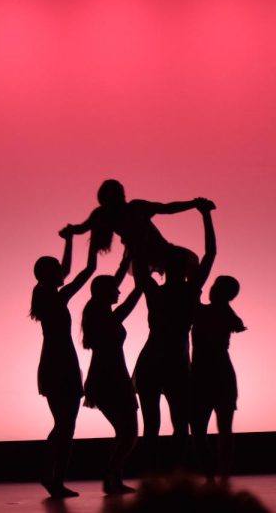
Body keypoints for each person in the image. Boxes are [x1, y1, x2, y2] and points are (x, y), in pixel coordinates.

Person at [132, 200, 216, 471]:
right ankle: (176, 470)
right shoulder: (191, 291)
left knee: (152, 425)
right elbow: (210, 253)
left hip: (152, 359)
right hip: (175, 362)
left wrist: (139, 232)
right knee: (180, 423)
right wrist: (205, 216)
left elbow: (139, 262)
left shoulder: (155, 292)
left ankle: (151, 472)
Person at [29, 229, 96, 498]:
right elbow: (85, 271)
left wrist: (69, 240)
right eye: (57, 269)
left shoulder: (45, 294)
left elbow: (67, 269)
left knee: (63, 425)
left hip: (56, 361)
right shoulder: (55, 297)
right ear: (49, 275)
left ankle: (51, 476)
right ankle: (53, 478)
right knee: (66, 426)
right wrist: (94, 242)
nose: (62, 271)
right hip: (61, 363)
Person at [60, 179, 213, 276]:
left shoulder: (118, 211)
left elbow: (168, 208)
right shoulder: (130, 208)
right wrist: (194, 204)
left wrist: (193, 204)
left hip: (147, 254)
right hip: (147, 253)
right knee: (190, 268)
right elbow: (167, 208)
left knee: (149, 285)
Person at [80, 254, 142, 495]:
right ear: (107, 293)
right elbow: (129, 302)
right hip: (111, 378)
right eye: (114, 290)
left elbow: (115, 282)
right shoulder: (105, 316)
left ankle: (113, 478)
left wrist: (128, 259)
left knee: (125, 432)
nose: (118, 292)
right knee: (128, 433)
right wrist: (141, 283)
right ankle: (111, 477)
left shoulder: (98, 309)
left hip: (109, 377)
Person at [190, 275, 246, 485]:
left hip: (202, 375)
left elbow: (193, 292)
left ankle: (211, 474)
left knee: (198, 429)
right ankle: (222, 474)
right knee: (224, 428)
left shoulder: (202, 312)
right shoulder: (227, 314)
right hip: (223, 373)